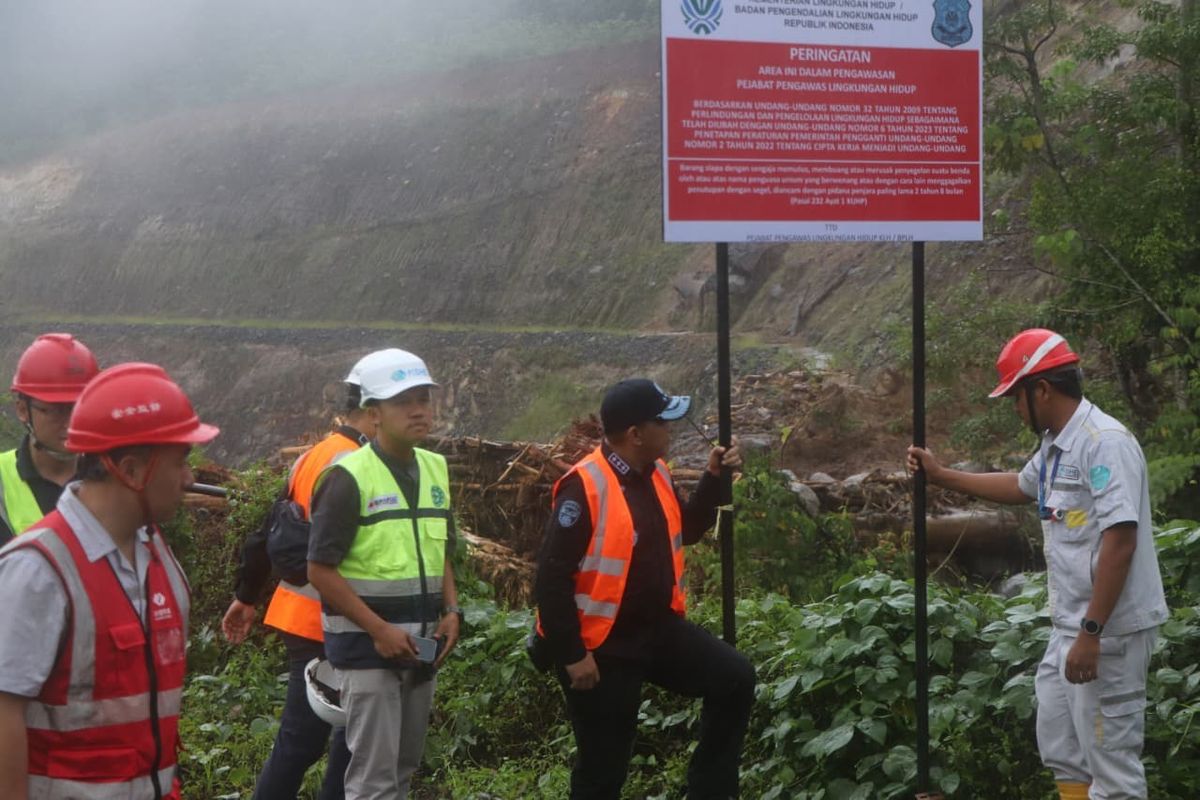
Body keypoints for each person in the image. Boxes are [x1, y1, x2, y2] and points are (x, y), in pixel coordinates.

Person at [907, 329, 1168, 800]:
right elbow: (1022, 486)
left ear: (1042, 389)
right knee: (1062, 745)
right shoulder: (1055, 443)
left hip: (1107, 631)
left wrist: (1092, 633)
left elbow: (1121, 541)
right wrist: (941, 475)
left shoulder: (1103, 442)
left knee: (1112, 770)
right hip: (1070, 625)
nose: (1015, 407)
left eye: (1015, 396)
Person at [0, 362, 219, 799]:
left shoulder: (157, 555)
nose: (190, 479)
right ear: (131, 470)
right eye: (180, 462)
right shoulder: (38, 570)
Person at [533, 378, 755, 800]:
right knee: (603, 769)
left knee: (735, 679)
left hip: (657, 630)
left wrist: (712, 479)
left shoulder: (656, 473)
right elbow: (550, 577)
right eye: (663, 422)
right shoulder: (584, 487)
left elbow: (687, 528)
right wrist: (573, 655)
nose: (670, 431)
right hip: (602, 647)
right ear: (636, 434)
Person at [221, 356, 380, 800]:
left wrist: (247, 595)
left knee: (322, 740)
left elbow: (270, 527)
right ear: (372, 411)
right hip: (329, 620)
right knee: (325, 741)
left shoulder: (316, 455)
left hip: (305, 617)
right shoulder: (357, 464)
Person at [307, 348, 461, 800]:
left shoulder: (436, 467)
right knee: (373, 781)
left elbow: (442, 549)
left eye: (423, 399)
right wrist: (378, 629)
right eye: (403, 401)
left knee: (403, 770)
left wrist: (451, 610)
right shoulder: (347, 476)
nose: (418, 410)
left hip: (422, 648)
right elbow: (319, 569)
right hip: (368, 650)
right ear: (373, 414)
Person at [0, 333, 100, 543]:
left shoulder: (112, 477)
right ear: (22, 410)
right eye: (56, 410)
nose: (69, 422)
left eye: (78, 408)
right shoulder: (3, 480)